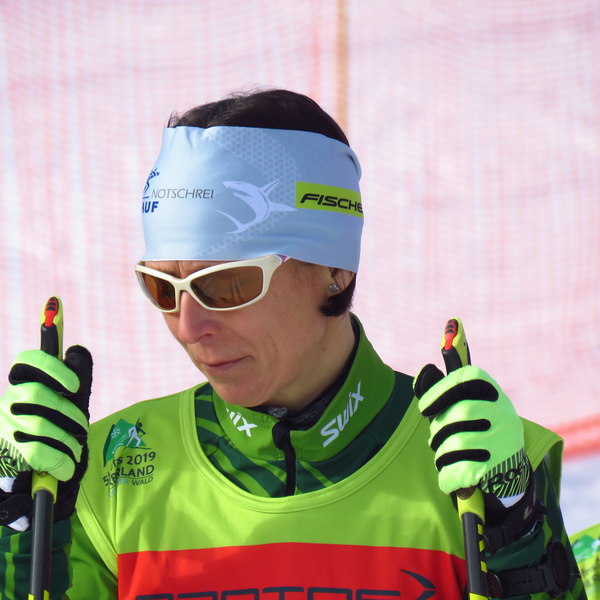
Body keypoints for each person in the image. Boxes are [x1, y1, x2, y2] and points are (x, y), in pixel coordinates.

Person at [0, 89, 588, 599]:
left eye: (226, 285)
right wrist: (17, 524)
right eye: (163, 286)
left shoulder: (482, 467)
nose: (188, 326)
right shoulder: (100, 472)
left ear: (335, 269)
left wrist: (518, 531)